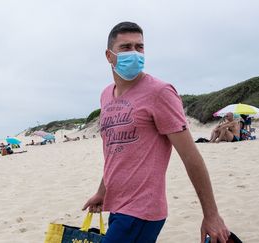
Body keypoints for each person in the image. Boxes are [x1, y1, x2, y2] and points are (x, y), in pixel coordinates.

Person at [82, 22, 229, 243]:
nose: (134, 53)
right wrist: (102, 192)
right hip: (117, 207)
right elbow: (116, 153)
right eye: (126, 47)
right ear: (109, 56)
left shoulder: (160, 92)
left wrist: (211, 215)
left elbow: (191, 157)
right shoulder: (105, 95)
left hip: (143, 210)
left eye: (139, 47)